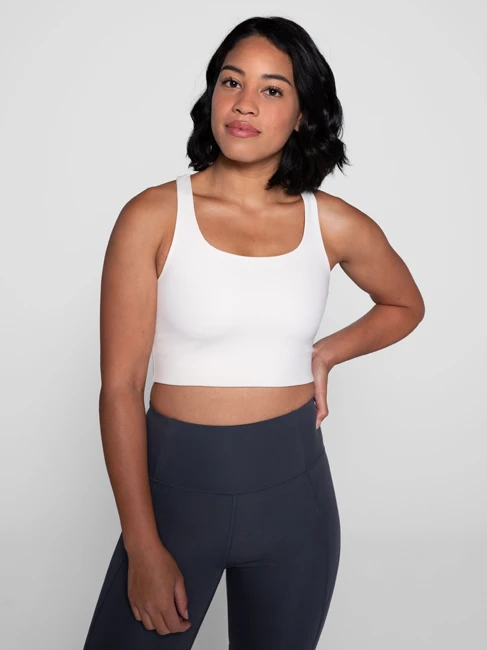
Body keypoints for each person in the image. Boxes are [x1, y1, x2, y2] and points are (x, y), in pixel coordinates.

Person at [82, 15, 425, 650]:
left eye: (272, 89)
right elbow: (121, 388)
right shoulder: (153, 216)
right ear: (211, 94)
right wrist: (142, 544)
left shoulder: (331, 223)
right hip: (174, 502)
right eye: (231, 82)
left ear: (302, 114)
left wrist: (327, 353)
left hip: (296, 505)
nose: (244, 104)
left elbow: (404, 304)